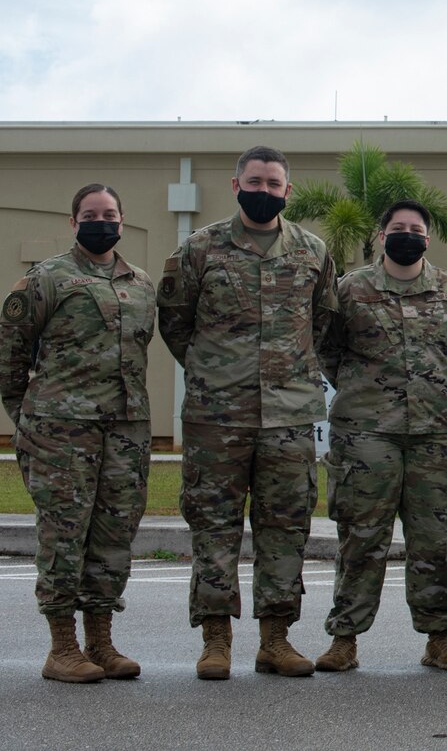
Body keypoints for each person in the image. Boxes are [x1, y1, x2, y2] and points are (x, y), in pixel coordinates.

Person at [157, 145, 336, 680]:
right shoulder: (199, 249)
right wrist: (217, 371)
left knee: (286, 528)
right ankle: (216, 640)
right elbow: (175, 324)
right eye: (254, 182)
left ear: (287, 189)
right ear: (236, 186)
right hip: (218, 417)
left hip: (288, 418)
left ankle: (276, 640)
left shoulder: (312, 251)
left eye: (273, 183)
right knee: (214, 528)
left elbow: (323, 325)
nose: (264, 191)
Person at [314, 200, 447, 674]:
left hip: (437, 433)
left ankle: (438, 637)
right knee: (361, 537)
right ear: (381, 234)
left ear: (428, 238)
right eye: (398, 227)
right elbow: (330, 352)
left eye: (416, 229)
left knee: (433, 539)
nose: (407, 234)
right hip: (366, 434)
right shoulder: (351, 290)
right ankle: (344, 638)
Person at [1, 183, 154, 683]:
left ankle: (102, 643)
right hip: (60, 431)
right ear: (74, 222)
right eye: (90, 214)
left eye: (110, 213)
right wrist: (26, 420)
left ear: (122, 219)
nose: (101, 221)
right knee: (64, 535)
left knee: (113, 536)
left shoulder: (142, 283)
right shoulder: (45, 279)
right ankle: (62, 648)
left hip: (125, 429)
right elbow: (9, 355)